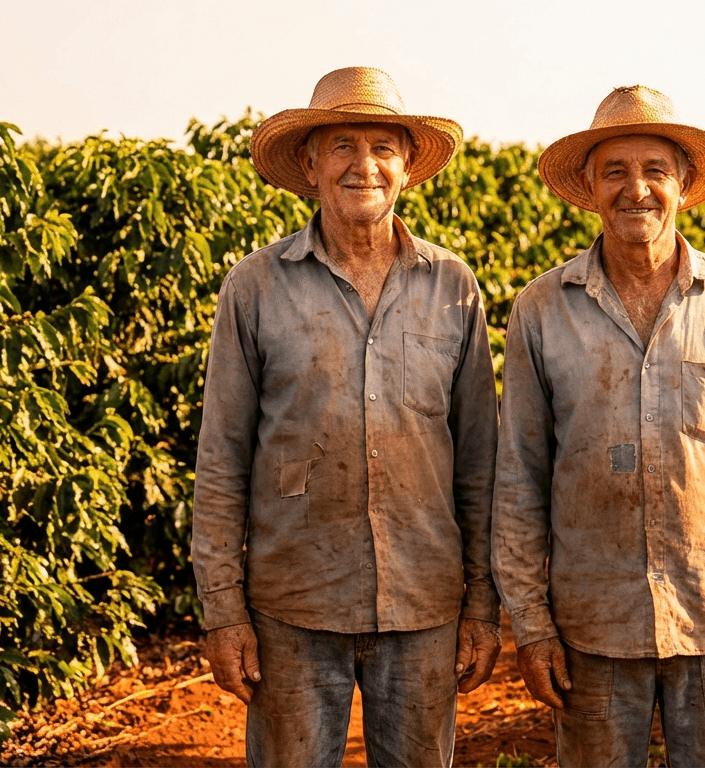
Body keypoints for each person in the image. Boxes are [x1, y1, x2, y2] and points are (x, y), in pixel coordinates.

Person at [191, 66, 500, 767]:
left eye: (384, 147)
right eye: (342, 146)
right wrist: (224, 610)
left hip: (423, 602)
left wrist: (482, 603)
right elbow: (222, 460)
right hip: (292, 605)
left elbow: (481, 460)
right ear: (309, 163)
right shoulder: (256, 285)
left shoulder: (453, 286)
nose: (365, 166)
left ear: (407, 166)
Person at [492, 85, 705, 767]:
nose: (636, 189)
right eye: (616, 172)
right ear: (589, 186)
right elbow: (517, 479)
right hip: (592, 631)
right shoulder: (542, 309)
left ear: (685, 185)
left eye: (655, 171)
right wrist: (531, 625)